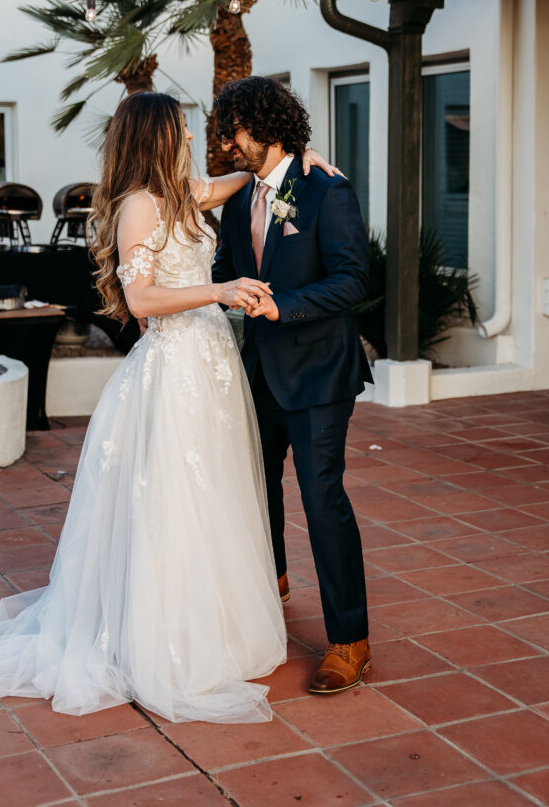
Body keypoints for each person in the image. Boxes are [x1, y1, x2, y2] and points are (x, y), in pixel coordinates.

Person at [0, 90, 337, 724]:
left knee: (215, 492)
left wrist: (293, 162)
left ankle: (214, 622)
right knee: (173, 499)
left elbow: (235, 182)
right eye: (179, 131)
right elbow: (143, 303)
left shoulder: (183, 192)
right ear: (154, 136)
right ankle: (164, 637)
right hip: (173, 369)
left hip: (212, 365)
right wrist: (220, 288)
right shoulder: (138, 206)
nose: (189, 140)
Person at [212, 75, 374, 695]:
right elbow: (227, 273)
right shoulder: (237, 199)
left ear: (267, 128)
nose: (228, 143)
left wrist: (285, 306)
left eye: (235, 130)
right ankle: (272, 585)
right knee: (258, 488)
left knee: (321, 497)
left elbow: (353, 279)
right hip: (256, 373)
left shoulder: (327, 190)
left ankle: (349, 640)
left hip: (318, 373)